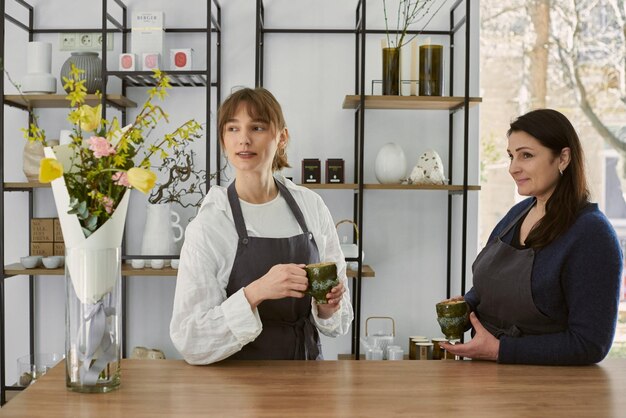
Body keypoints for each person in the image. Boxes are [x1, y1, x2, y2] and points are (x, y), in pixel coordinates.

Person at [170, 87, 354, 364]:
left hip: (307, 376)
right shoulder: (211, 222)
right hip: (238, 388)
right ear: (223, 139)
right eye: (233, 129)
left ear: (281, 137)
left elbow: (339, 316)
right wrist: (257, 292)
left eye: (257, 127)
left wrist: (328, 307)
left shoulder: (310, 206)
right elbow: (191, 339)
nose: (243, 140)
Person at [441, 108, 623, 365]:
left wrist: (499, 350)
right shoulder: (517, 214)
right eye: (511, 156)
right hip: (487, 379)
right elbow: (491, 285)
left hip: (545, 391)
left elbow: (591, 343)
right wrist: (466, 306)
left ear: (563, 158)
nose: (513, 168)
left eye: (526, 155)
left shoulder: (591, 235)